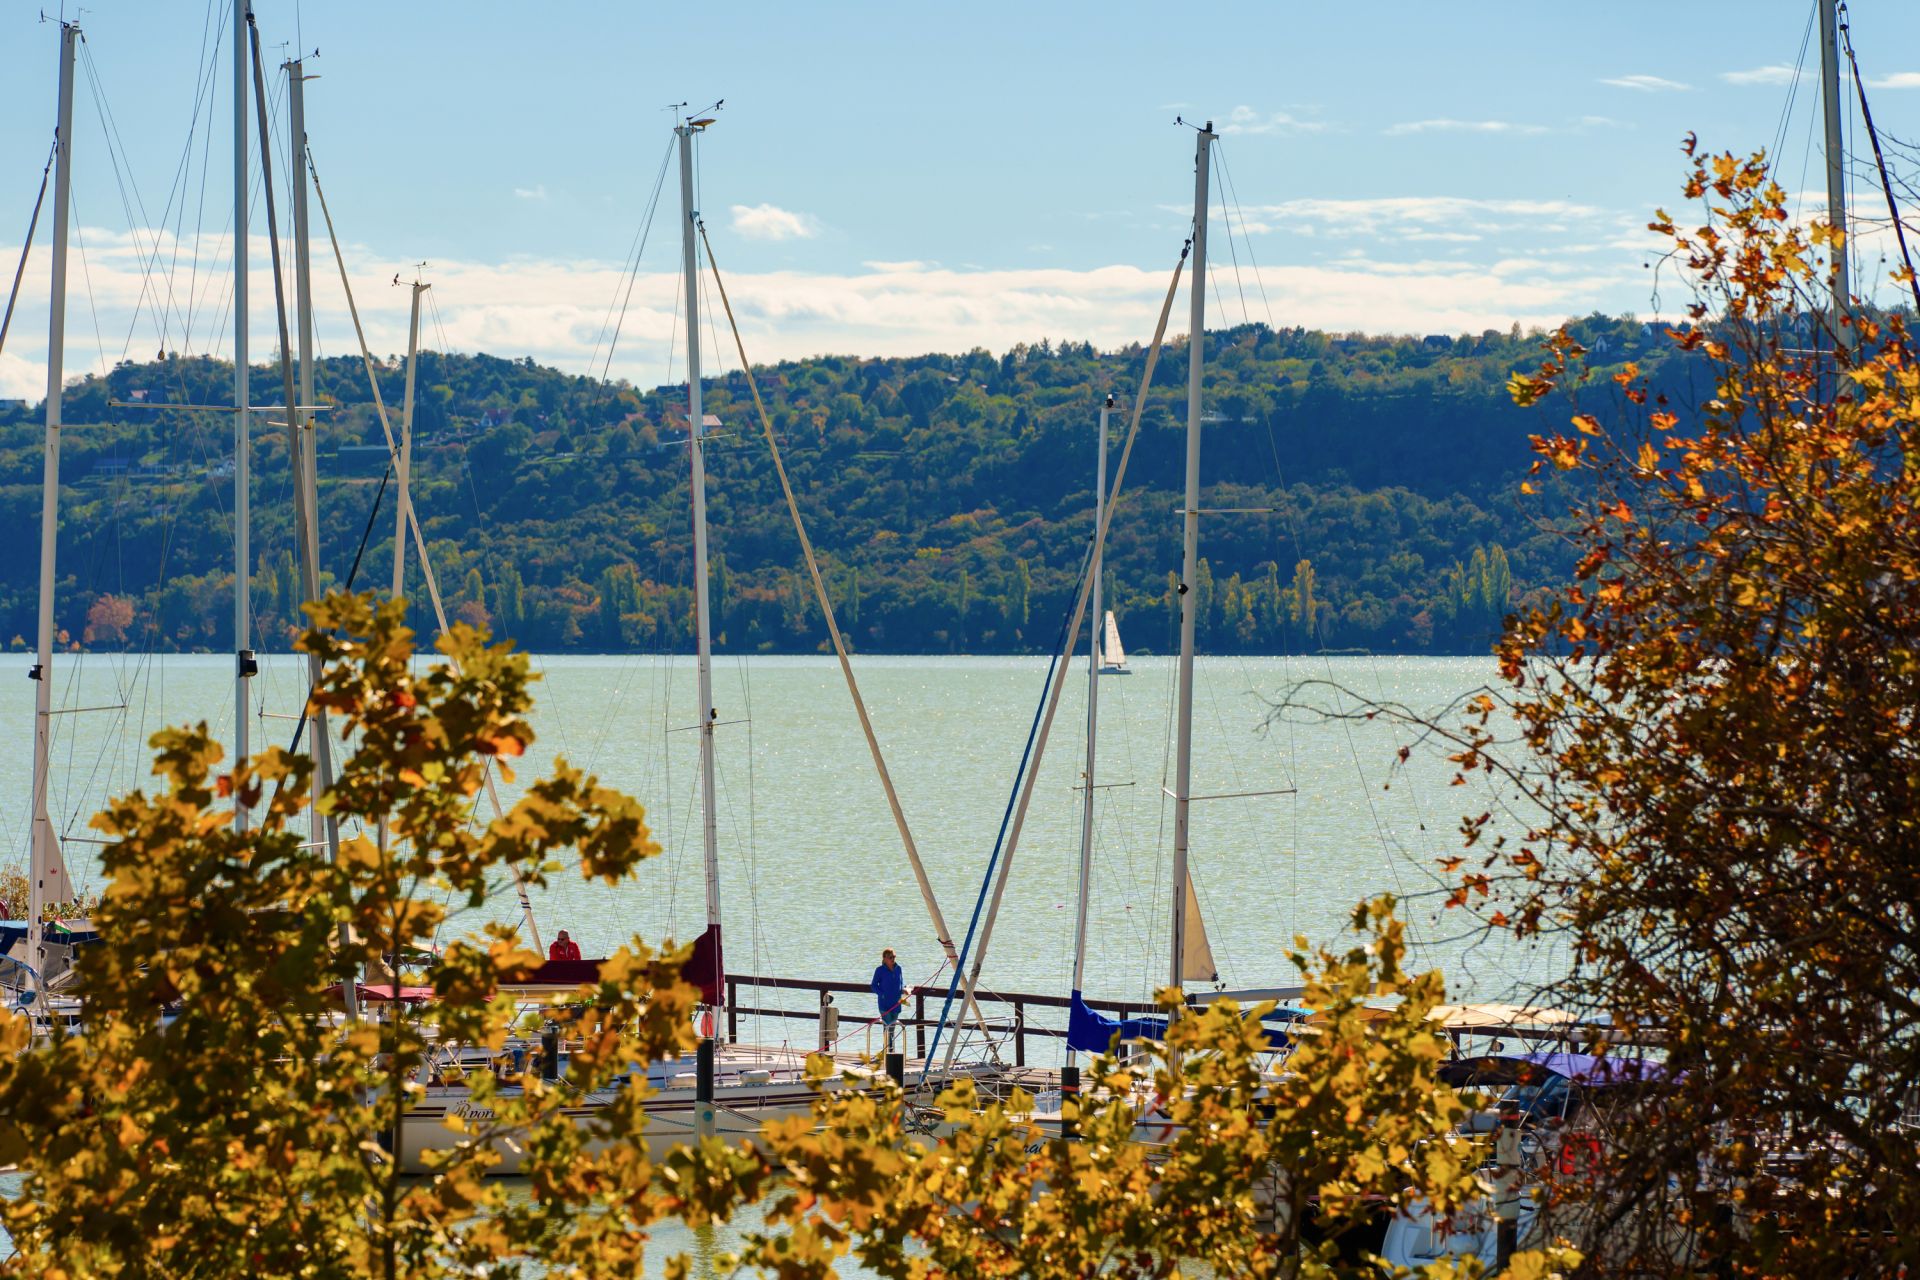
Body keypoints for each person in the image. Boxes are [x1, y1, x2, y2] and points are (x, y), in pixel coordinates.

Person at [870, 947, 905, 1052]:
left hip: (896, 1003)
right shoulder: (880, 970)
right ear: (884, 958)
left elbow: (901, 982)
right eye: (890, 957)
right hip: (884, 1005)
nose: (892, 959)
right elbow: (873, 985)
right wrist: (882, 994)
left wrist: (904, 989)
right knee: (887, 1027)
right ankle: (889, 1050)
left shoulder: (898, 968)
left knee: (892, 1028)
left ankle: (889, 1050)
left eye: (894, 957)